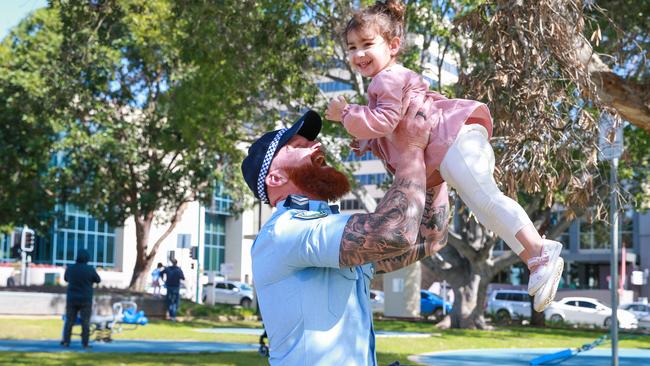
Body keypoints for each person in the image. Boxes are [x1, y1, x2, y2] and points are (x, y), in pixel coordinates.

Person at [325, 0, 563, 312]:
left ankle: (540, 251)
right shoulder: (387, 82)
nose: (358, 54)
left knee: (487, 201)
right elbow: (390, 130)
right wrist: (364, 136)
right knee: (486, 207)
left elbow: (383, 122)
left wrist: (345, 114)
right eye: (352, 47)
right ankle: (533, 258)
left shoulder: (387, 79)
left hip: (452, 140)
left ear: (394, 45)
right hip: (453, 144)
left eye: (367, 44)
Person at [241, 103, 445, 365]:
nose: (316, 146)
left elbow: (430, 239)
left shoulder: (324, 228)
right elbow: (395, 234)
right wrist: (411, 150)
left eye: (311, 140)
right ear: (276, 178)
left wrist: (434, 167)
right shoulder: (286, 230)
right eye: (296, 145)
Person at [61, 249, 101, 349]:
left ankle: (66, 341)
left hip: (72, 298)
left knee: (69, 321)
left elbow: (66, 279)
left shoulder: (70, 268)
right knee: (85, 322)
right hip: (85, 299)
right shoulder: (90, 269)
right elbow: (98, 280)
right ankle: (85, 343)